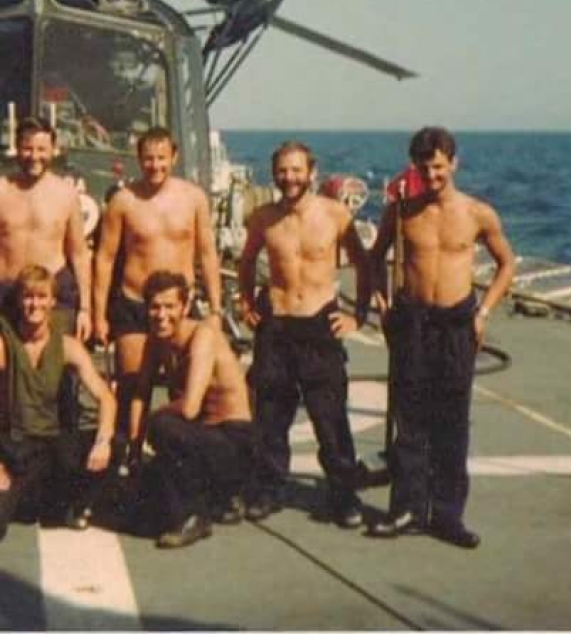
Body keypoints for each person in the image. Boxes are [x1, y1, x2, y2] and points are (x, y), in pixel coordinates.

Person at [368, 126, 515, 548]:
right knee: (409, 420)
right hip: (412, 322)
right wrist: (380, 301)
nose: (430, 176)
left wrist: (483, 312)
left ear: (453, 163)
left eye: (437, 167)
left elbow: (507, 263)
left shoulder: (478, 214)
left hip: (456, 324)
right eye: (422, 167)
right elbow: (375, 258)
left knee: (451, 424)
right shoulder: (401, 212)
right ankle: (407, 509)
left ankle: (447, 516)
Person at [238, 141, 371, 529]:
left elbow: (364, 265)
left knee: (329, 417)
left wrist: (357, 316)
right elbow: (246, 261)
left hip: (318, 324)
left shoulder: (335, 215)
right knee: (270, 416)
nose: (289, 178)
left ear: (311, 172)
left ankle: (343, 494)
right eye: (282, 170)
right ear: (273, 173)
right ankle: (269, 489)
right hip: (276, 325)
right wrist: (246, 302)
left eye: (296, 170)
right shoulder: (263, 218)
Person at [0, 265, 116, 547]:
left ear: (53, 301)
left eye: (41, 297)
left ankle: (57, 503)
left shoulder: (68, 346)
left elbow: (106, 398)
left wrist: (103, 441)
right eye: (28, 297)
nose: (34, 304)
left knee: (115, 447)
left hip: (50, 449)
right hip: (11, 451)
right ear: (18, 300)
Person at [92, 127, 223, 454]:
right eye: (148, 159)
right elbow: (104, 259)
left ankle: (179, 461)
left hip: (180, 306)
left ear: (174, 157)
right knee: (134, 387)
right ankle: (129, 459)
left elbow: (207, 254)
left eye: (162, 158)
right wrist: (98, 316)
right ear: (138, 159)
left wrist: (218, 310)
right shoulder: (123, 201)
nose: (155, 166)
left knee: (186, 389)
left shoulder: (194, 198)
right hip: (135, 304)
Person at [134, 271, 254, 549]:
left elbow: (189, 408)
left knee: (164, 426)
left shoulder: (203, 336)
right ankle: (220, 497)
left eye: (169, 307)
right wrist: (135, 445)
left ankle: (194, 516)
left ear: (185, 307)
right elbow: (141, 392)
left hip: (234, 440)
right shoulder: (155, 341)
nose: (161, 315)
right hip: (203, 437)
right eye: (154, 307)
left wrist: (151, 420)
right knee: (140, 502)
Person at [0, 116, 92, 341]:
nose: (35, 157)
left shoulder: (66, 194)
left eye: (42, 149)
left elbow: (80, 255)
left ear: (54, 149)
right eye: (28, 148)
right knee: (2, 368)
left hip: (53, 296)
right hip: (5, 294)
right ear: (17, 148)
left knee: (53, 370)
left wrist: (85, 309)